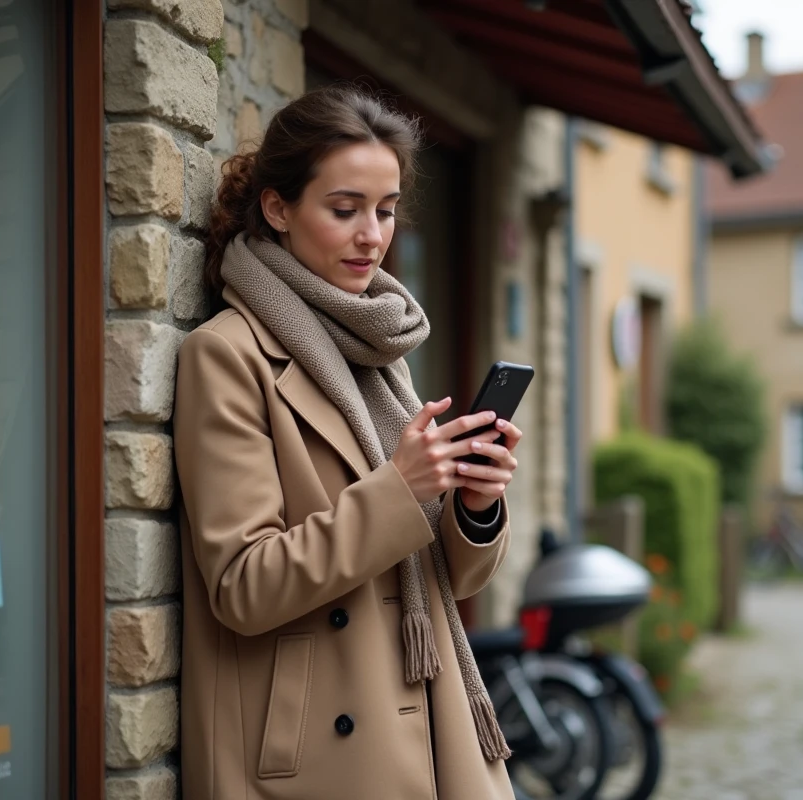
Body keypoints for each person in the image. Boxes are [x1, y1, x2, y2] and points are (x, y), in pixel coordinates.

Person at [173, 84, 519, 799]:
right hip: (311, 759)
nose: (373, 235)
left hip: (420, 716)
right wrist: (400, 488)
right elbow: (244, 586)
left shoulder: (374, 350)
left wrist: (474, 505)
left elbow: (433, 580)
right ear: (278, 207)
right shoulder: (227, 355)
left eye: (386, 211)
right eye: (345, 209)